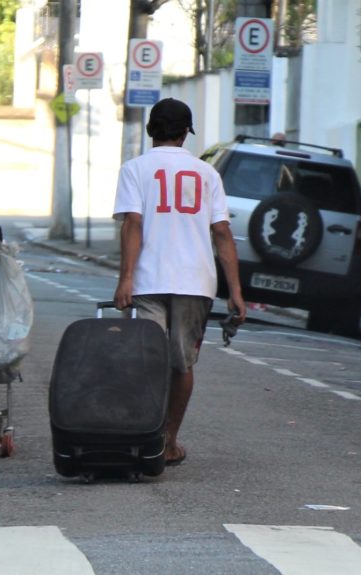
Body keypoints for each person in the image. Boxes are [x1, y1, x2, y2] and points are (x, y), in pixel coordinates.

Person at [112, 98, 246, 466]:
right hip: (196, 281)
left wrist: (125, 279)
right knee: (181, 364)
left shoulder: (134, 169)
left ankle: (141, 434)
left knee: (146, 361)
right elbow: (222, 233)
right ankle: (168, 440)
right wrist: (234, 292)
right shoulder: (208, 174)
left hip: (148, 280)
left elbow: (133, 225)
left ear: (151, 129)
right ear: (187, 132)